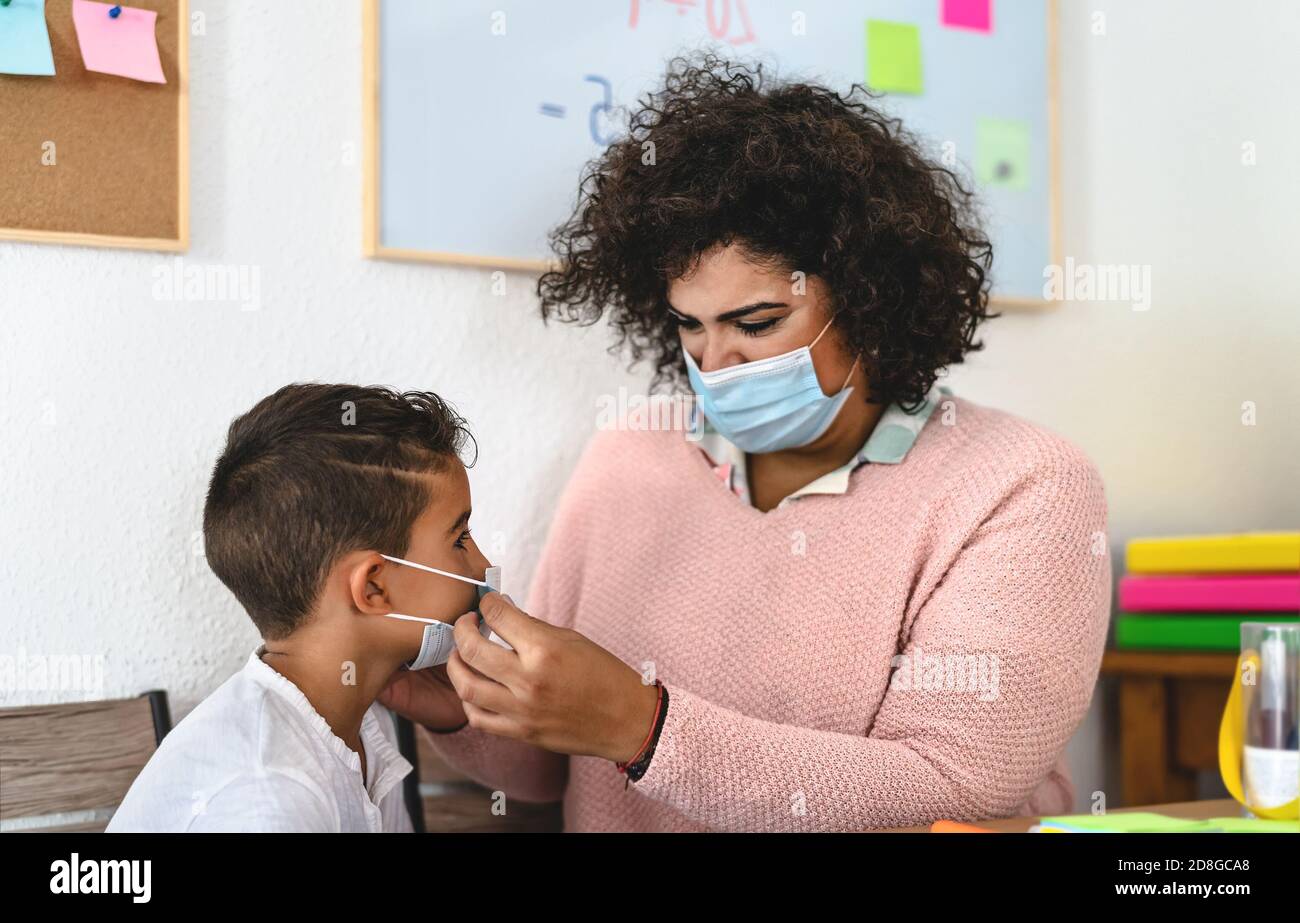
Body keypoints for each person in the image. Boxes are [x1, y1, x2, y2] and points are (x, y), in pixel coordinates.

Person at [381, 53, 1112, 832]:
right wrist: (456, 709)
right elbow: (544, 766)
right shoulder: (630, 458)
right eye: (689, 326)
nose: (716, 365)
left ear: (869, 299)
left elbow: (954, 790)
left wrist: (643, 724)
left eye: (757, 324)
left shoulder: (1023, 484)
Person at [108, 383, 496, 832]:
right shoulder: (268, 796)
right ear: (373, 587)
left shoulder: (363, 726)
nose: (484, 565)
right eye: (459, 539)